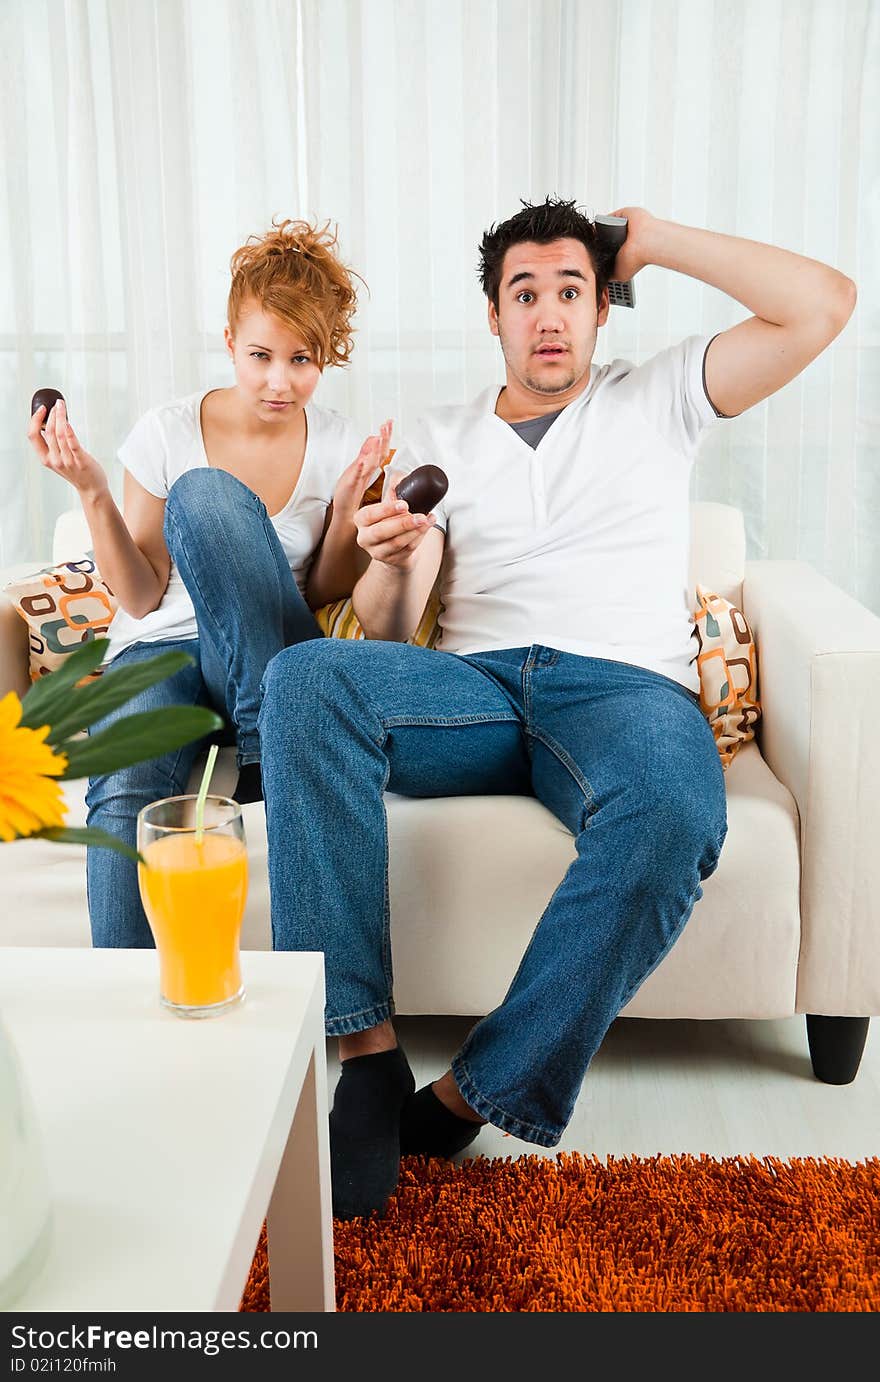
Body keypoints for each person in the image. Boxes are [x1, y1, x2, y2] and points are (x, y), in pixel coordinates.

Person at [256, 197, 857, 1220]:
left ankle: (468, 1091)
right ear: (493, 315)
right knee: (305, 677)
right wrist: (393, 561)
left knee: (675, 811)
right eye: (523, 292)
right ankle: (365, 1053)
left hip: (626, 689)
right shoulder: (442, 433)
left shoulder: (662, 394)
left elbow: (822, 305)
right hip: (478, 683)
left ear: (600, 309)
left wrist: (655, 240)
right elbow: (395, 631)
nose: (547, 313)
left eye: (569, 290)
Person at [26, 217, 390, 949]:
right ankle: (128, 1015)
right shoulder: (165, 432)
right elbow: (136, 597)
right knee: (123, 787)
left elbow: (321, 589)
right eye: (259, 355)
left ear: (327, 359)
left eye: (303, 359)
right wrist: (93, 492)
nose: (279, 381)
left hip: (268, 662)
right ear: (228, 342)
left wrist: (349, 510)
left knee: (207, 497)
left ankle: (268, 740)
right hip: (159, 651)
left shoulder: (344, 443)